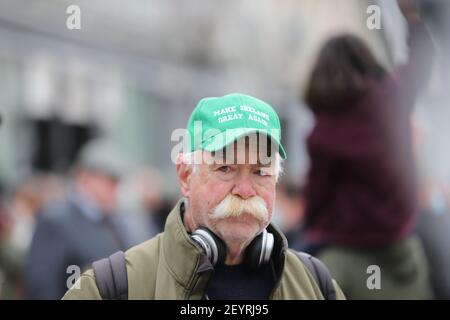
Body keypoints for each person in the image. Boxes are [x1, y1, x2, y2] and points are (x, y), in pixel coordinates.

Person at [63, 93, 346, 300]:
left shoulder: (317, 285)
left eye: (260, 171)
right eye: (226, 168)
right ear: (186, 176)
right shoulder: (112, 288)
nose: (245, 190)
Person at [300, 1, 435, 299]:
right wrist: (411, 16)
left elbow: (316, 203)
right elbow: (421, 61)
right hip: (402, 252)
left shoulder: (321, 134)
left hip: (345, 259)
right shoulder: (392, 98)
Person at [25, 139, 140, 299]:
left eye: (116, 182)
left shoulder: (115, 221)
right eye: (109, 180)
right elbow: (43, 286)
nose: (114, 188)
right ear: (84, 176)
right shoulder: (55, 220)